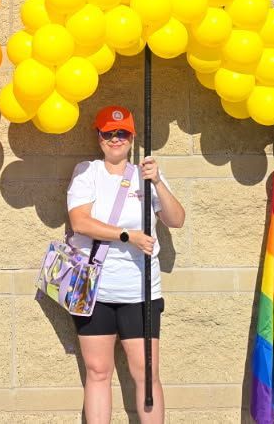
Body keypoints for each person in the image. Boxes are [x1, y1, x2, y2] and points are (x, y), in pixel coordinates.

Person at [66, 105, 186, 423]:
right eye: (109, 133)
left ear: (132, 137)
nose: (115, 138)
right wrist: (127, 236)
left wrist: (157, 182)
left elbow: (176, 219)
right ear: (99, 137)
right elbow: (80, 222)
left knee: (146, 373)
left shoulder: (145, 175)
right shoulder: (87, 172)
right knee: (97, 370)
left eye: (122, 133)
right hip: (93, 290)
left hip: (139, 291)